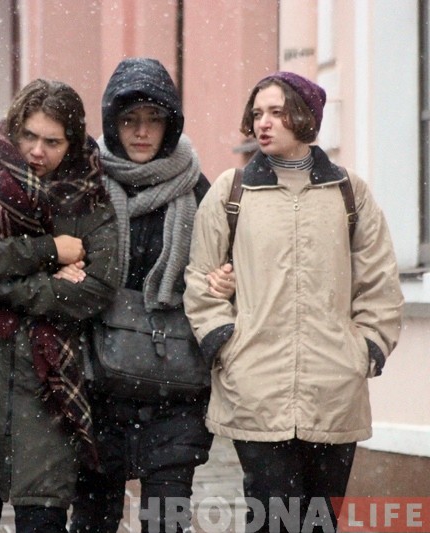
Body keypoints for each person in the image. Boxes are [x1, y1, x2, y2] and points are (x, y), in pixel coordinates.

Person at [183, 72, 403, 532]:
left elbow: (379, 283)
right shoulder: (232, 191)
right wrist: (226, 344)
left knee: (320, 522)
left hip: (334, 387)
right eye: (257, 113)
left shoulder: (348, 192)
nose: (263, 123)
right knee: (273, 521)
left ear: (304, 118)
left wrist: (366, 349)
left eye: (277, 112)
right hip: (255, 387)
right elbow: (201, 278)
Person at [0, 79, 120, 532]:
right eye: (29, 136)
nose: (37, 151)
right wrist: (50, 251)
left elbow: (97, 287)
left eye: (53, 142)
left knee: (43, 517)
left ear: (72, 143)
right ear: (14, 128)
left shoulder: (87, 192)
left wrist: (3, 290)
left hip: (50, 388)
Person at [69, 57, 234, 533]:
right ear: (112, 124)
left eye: (154, 119)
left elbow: (225, 264)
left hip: (174, 388)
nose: (142, 131)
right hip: (98, 384)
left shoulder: (199, 190)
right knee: (93, 519)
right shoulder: (86, 185)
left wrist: (225, 280)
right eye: (129, 120)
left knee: (167, 520)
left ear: (171, 125)